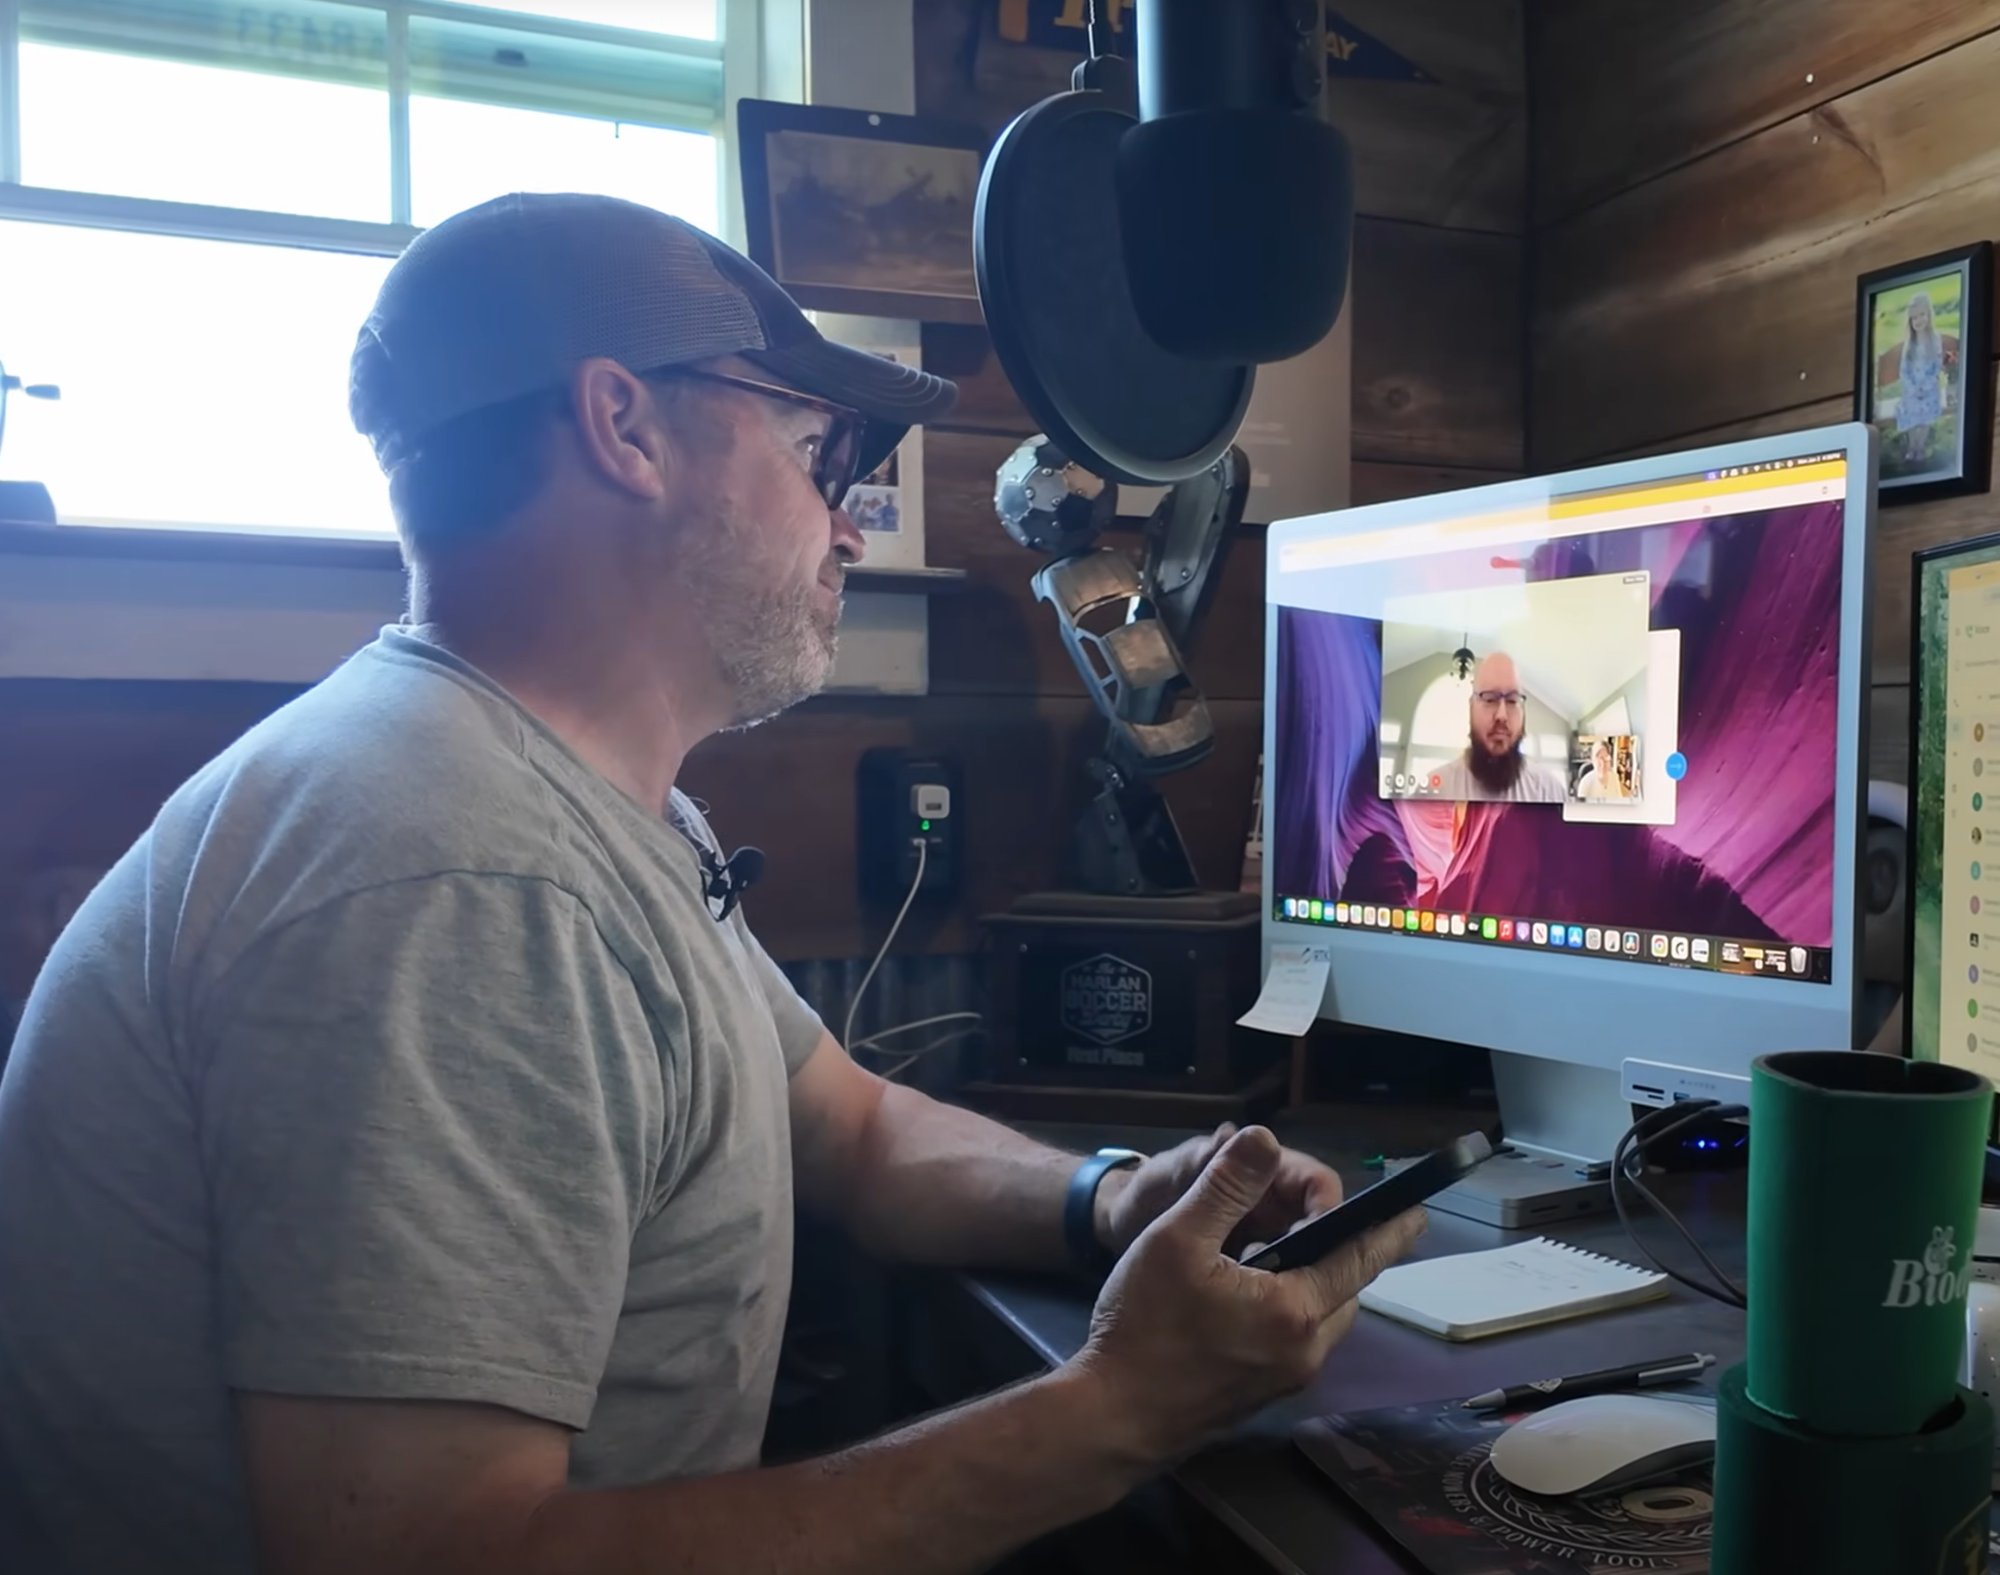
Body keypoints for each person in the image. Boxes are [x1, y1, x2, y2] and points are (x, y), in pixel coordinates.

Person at [0, 194, 1424, 1575]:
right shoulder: (459, 874)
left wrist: (1110, 1198)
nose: (849, 524)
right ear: (623, 427)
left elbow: (847, 1124)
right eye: (819, 450)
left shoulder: (564, 802)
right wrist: (1120, 1405)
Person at [1433, 652, 1567, 804]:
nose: (1501, 715)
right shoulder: (1435, 792)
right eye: (1490, 699)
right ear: (1471, 708)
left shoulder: (1550, 793)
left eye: (1512, 701)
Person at [1893, 291, 1949, 467]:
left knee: (1926, 409)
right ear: (1910, 321)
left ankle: (1920, 447)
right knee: (1910, 408)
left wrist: (1925, 387)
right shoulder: (1909, 344)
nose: (1918, 321)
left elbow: (1936, 366)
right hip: (1911, 389)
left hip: (1928, 388)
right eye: (1914, 318)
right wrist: (1912, 388)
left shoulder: (1935, 340)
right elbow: (1904, 370)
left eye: (1922, 315)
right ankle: (1913, 446)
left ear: (1929, 315)